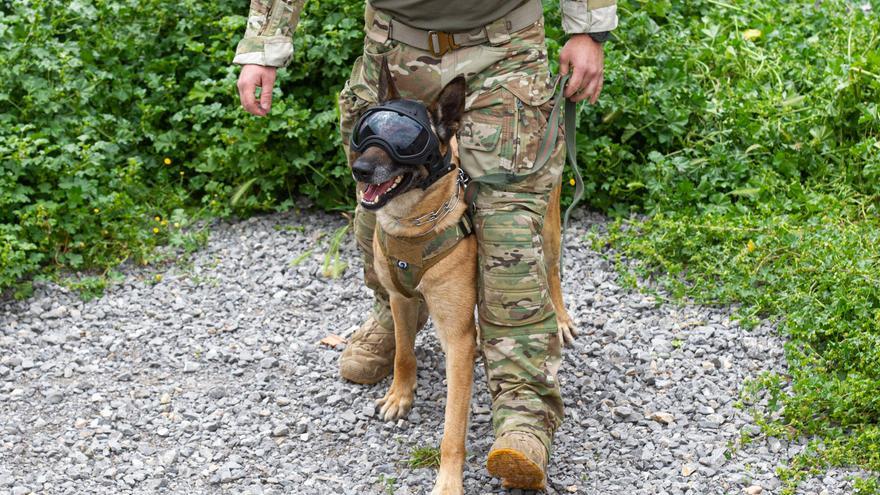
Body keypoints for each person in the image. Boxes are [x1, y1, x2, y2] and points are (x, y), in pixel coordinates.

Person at [235, 0, 616, 489]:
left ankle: (523, 411)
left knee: (510, 240)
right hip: (394, 47)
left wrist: (589, 29)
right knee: (384, 212)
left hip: (504, 48)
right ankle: (396, 317)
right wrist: (265, 44)